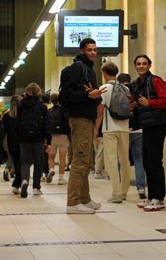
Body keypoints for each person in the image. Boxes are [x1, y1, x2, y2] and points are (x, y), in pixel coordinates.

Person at [59, 37, 106, 214]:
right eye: (89, 50)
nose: (93, 52)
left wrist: (96, 96)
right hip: (79, 119)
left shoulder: (88, 69)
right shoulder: (78, 68)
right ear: (81, 51)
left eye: (95, 49)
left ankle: (84, 198)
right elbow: (66, 96)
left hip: (86, 119)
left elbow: (87, 94)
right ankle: (72, 203)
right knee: (79, 161)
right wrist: (88, 96)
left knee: (86, 161)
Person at [130, 55, 166, 211]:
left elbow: (165, 101)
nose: (141, 66)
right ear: (135, 66)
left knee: (154, 162)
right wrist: (134, 104)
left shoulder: (156, 81)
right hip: (146, 126)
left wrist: (149, 103)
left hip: (158, 125)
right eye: (138, 64)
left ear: (149, 65)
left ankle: (159, 198)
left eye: (144, 64)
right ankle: (151, 197)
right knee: (147, 162)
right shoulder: (138, 84)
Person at [94, 61, 131, 203]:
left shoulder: (104, 88)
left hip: (110, 128)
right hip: (124, 127)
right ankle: (124, 192)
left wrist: (96, 128)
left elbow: (100, 111)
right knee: (125, 160)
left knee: (111, 161)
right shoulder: (125, 88)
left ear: (104, 73)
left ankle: (115, 193)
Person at [16, 83, 51, 198]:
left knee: (25, 162)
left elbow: (17, 123)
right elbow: (46, 124)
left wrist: (18, 137)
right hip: (38, 139)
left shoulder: (21, 106)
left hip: (24, 138)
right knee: (38, 163)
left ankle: (24, 180)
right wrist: (48, 140)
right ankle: (36, 187)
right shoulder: (42, 106)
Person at [118, 73, 147, 199]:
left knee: (122, 160)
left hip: (123, 129)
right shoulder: (136, 90)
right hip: (138, 130)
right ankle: (141, 188)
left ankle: (121, 190)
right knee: (139, 160)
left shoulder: (117, 92)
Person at [0, 95, 22, 191]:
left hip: (11, 143)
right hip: (23, 142)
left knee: (16, 162)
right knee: (21, 164)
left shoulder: (7, 115)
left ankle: (17, 183)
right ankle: (18, 183)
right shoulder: (23, 114)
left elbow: (3, 130)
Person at [46, 93, 70, 185]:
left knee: (51, 156)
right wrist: (69, 135)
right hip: (63, 136)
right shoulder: (64, 110)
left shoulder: (48, 111)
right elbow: (67, 124)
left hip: (52, 136)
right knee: (62, 158)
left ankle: (51, 169)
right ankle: (60, 178)